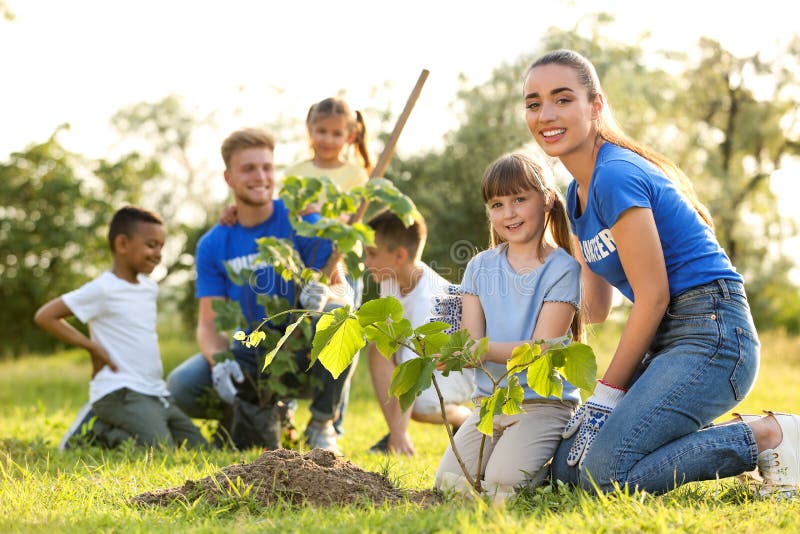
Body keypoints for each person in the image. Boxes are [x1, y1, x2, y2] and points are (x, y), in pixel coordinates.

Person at [524, 49, 798, 497]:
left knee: (603, 476)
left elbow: (653, 297)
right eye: (534, 103)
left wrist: (608, 393)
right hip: (669, 339)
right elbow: (595, 308)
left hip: (713, 333)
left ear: (595, 106)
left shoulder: (615, 175)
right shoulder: (576, 194)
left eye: (562, 99)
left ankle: (770, 436)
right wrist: (523, 281)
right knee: (568, 475)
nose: (546, 115)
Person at [165, 128, 353, 454]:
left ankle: (321, 424)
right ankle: (253, 415)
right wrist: (219, 361)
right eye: (249, 168)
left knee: (339, 318)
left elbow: (343, 292)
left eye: (267, 167)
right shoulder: (213, 243)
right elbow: (208, 325)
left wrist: (325, 296)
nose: (261, 176)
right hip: (250, 350)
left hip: (302, 351)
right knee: (182, 385)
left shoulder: (302, 220)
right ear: (228, 177)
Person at [434, 153, 583, 501]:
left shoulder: (563, 268)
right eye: (497, 204)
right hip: (490, 403)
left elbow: (540, 349)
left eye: (519, 199)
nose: (509, 213)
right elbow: (471, 342)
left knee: (503, 486)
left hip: (542, 404)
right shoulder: (479, 267)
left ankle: (554, 468)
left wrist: (480, 350)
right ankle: (517, 465)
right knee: (448, 484)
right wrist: (452, 353)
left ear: (546, 199)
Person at [34, 206, 207, 449]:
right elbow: (45, 316)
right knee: (159, 449)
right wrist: (92, 347)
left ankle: (131, 422)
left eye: (161, 246)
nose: (158, 253)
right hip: (120, 391)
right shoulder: (104, 288)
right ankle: (96, 432)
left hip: (155, 392)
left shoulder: (149, 288)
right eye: (151, 244)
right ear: (123, 244)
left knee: (199, 447)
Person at [363, 210, 475, 456]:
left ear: (399, 256)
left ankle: (466, 419)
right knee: (377, 349)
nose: (366, 263)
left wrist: (400, 430)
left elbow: (412, 376)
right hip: (426, 362)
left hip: (459, 370)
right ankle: (396, 436)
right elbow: (391, 342)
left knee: (421, 406)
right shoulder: (390, 280)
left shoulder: (429, 299)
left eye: (372, 254)